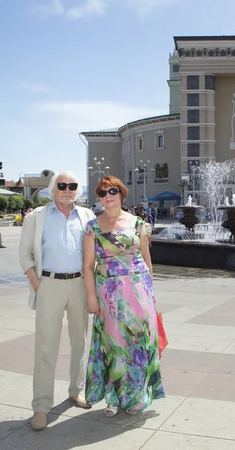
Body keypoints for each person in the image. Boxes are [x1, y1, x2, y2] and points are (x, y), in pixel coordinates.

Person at [18, 171, 96, 431]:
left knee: (80, 342)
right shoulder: (36, 217)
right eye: (62, 185)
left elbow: (105, 241)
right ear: (53, 189)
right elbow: (25, 254)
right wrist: (37, 284)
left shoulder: (87, 216)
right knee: (45, 347)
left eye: (72, 186)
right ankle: (41, 406)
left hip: (80, 285)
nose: (67, 190)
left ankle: (77, 390)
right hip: (48, 285)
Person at [83, 175, 165, 417]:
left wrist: (151, 293)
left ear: (121, 194)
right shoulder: (93, 227)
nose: (108, 196)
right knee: (114, 344)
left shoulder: (138, 223)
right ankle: (114, 398)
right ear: (98, 198)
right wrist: (91, 298)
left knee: (140, 343)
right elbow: (88, 266)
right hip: (109, 295)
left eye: (112, 191)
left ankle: (137, 397)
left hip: (139, 290)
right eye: (102, 193)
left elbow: (146, 259)